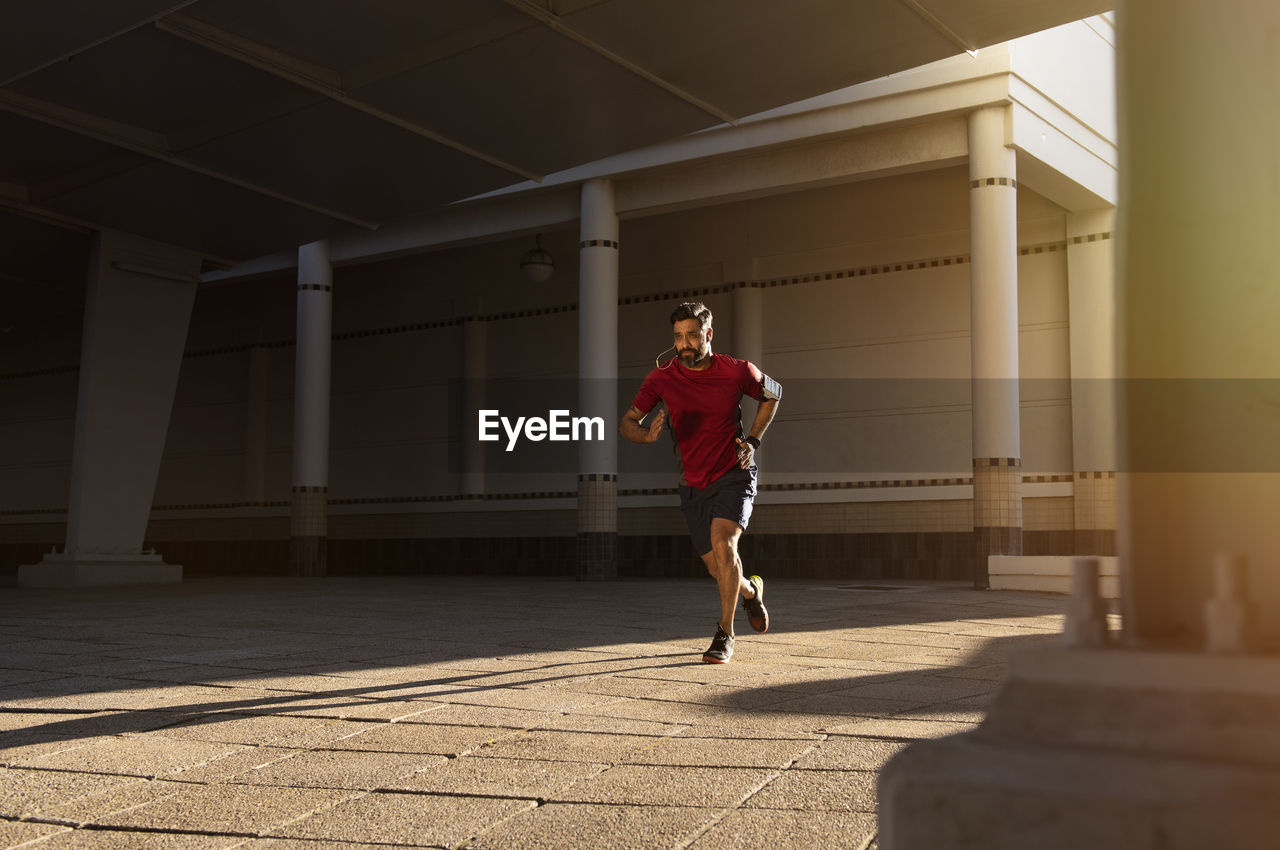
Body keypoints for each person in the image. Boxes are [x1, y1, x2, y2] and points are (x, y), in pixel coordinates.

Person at [619, 301, 781, 663]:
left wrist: (752, 440)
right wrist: (645, 436)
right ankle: (751, 592)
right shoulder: (660, 378)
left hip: (732, 475)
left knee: (724, 547)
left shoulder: (737, 371)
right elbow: (627, 422)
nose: (685, 344)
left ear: (708, 334)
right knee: (716, 566)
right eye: (678, 337)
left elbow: (774, 394)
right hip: (692, 484)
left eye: (692, 335)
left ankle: (725, 634)